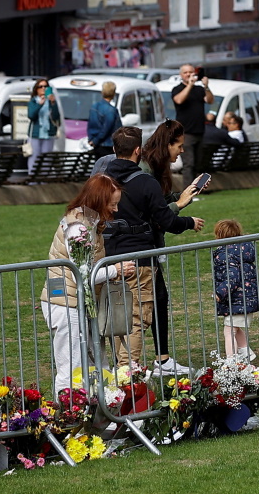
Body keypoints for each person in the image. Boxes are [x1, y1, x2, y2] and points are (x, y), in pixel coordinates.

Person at [99, 126, 203, 368]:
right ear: (137, 150)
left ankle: (121, 370)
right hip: (140, 259)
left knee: (117, 315)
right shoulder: (145, 182)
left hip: (109, 258)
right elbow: (166, 221)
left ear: (114, 150)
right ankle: (128, 374)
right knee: (136, 319)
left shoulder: (100, 183)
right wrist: (188, 220)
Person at [43, 175, 135, 386]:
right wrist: (114, 270)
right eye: (112, 204)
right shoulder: (78, 228)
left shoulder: (89, 223)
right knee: (71, 368)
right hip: (65, 303)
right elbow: (82, 273)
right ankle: (69, 416)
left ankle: (101, 413)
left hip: (78, 301)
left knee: (98, 363)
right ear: (99, 201)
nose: (116, 210)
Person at [211, 219, 258, 358]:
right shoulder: (243, 251)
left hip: (237, 299)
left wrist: (220, 292)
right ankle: (245, 351)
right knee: (234, 327)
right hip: (245, 298)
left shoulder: (225, 254)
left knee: (229, 331)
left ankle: (231, 362)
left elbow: (232, 278)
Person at [168, 64, 210, 185]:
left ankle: (199, 189)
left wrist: (206, 87)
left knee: (199, 163)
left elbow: (210, 100)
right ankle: (188, 192)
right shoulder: (177, 89)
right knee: (189, 163)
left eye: (191, 72)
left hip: (200, 131)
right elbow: (179, 100)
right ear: (181, 75)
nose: (189, 75)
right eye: (186, 73)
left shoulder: (199, 90)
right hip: (185, 132)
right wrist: (190, 85)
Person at [27, 79, 61, 162]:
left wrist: (53, 103)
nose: (43, 88)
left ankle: (44, 174)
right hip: (36, 134)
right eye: (40, 86)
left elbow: (56, 116)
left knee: (46, 159)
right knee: (34, 158)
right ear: (36, 89)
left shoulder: (51, 102)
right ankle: (32, 174)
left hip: (48, 134)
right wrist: (39, 105)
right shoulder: (33, 101)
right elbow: (31, 116)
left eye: (45, 86)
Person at [87, 82, 121, 159]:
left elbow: (90, 125)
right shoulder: (111, 110)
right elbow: (106, 129)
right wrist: (96, 140)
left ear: (102, 92)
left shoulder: (94, 107)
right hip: (108, 146)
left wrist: (92, 140)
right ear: (113, 93)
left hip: (97, 145)